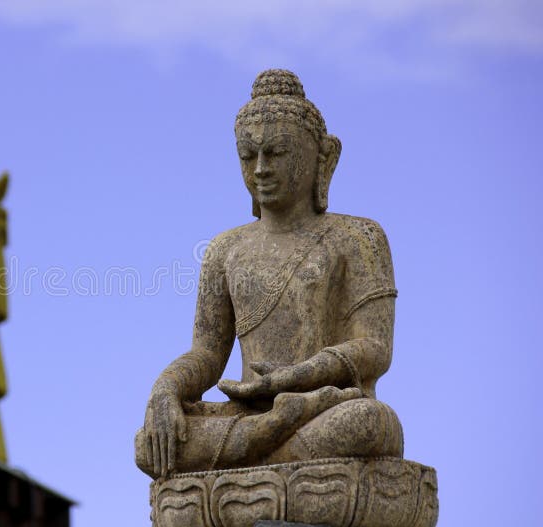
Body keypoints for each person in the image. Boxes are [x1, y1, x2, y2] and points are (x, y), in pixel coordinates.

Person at [135, 69, 404, 479]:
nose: (260, 168)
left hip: (329, 406)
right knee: (149, 445)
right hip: (251, 414)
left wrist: (297, 378)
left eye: (277, 152)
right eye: (248, 155)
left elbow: (374, 347)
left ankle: (258, 451)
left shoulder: (358, 237)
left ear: (323, 158)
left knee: (370, 424)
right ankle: (273, 436)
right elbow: (208, 354)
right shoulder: (225, 249)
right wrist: (166, 389)